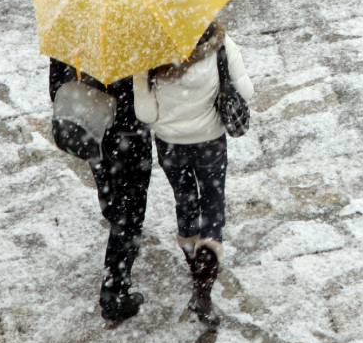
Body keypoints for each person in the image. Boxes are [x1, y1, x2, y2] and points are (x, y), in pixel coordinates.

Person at [133, 21, 254, 326]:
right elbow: (246, 91)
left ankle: (192, 259)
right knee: (213, 203)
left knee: (185, 201)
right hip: (210, 140)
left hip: (172, 146)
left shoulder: (146, 56)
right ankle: (204, 286)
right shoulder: (222, 46)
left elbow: (145, 114)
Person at [48, 61, 152, 324]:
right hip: (128, 135)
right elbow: (147, 98)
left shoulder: (75, 34)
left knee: (110, 190)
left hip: (92, 130)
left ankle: (114, 213)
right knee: (130, 214)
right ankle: (115, 292)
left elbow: (57, 89)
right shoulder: (135, 40)